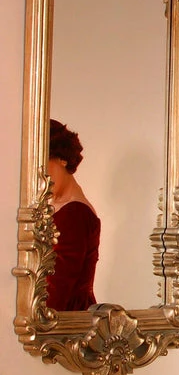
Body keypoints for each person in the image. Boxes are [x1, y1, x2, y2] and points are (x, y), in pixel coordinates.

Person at [45, 118, 101, 311]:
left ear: (62, 158)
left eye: (43, 164)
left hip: (66, 319)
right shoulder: (59, 207)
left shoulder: (75, 213)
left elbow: (57, 287)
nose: (38, 175)